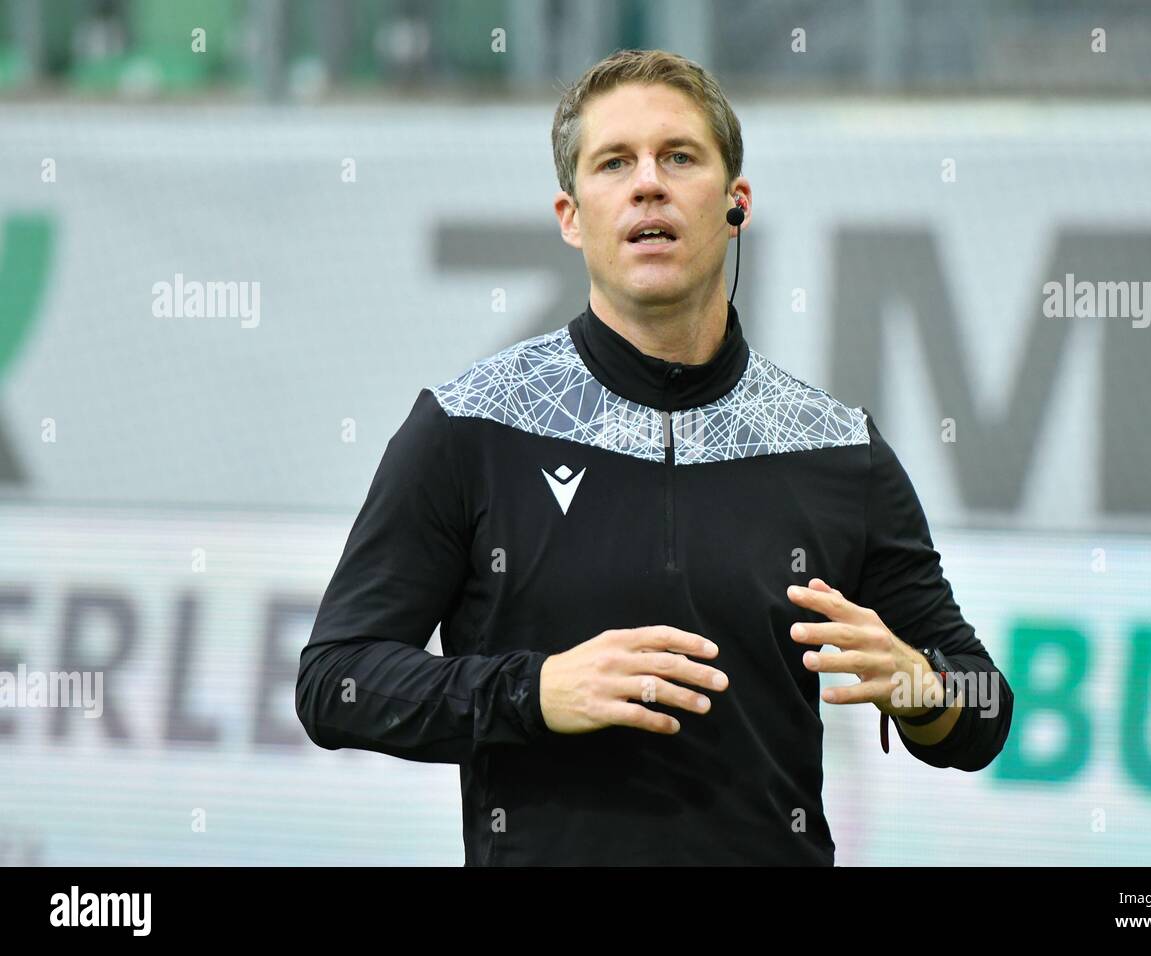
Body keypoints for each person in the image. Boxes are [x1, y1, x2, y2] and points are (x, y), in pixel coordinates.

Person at [295, 48, 1013, 866]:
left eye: (678, 157)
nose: (648, 183)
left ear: (735, 203)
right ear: (571, 216)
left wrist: (923, 686)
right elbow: (335, 684)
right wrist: (533, 691)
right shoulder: (470, 426)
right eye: (614, 163)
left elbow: (985, 709)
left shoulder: (835, 447)